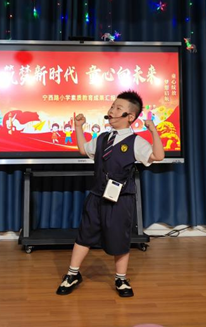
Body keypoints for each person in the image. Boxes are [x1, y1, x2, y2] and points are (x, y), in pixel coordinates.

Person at [56, 90, 165, 297]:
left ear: (129, 117)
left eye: (118, 108)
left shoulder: (135, 141)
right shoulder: (102, 138)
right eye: (112, 106)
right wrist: (78, 127)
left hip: (120, 199)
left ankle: (121, 278)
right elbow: (83, 150)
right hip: (96, 195)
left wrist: (153, 131)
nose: (112, 110)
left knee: (119, 238)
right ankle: (72, 274)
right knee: (84, 235)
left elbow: (158, 156)